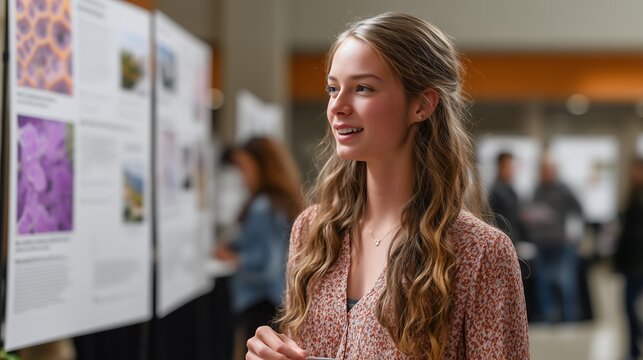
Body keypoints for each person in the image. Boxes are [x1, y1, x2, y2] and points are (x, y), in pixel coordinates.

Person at [246, 12, 528, 360]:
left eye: (363, 88)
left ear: (422, 105)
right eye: (333, 88)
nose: (338, 106)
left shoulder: (481, 253)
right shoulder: (312, 230)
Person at [215, 136, 304, 352]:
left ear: (262, 166)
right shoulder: (278, 202)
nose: (240, 176)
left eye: (244, 168)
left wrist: (235, 259)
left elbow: (266, 264)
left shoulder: (263, 206)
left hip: (261, 302)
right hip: (277, 301)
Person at [526, 156, 583, 323]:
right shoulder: (537, 190)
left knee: (564, 282)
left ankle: (569, 317)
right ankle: (548, 317)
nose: (543, 173)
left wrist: (574, 234)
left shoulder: (564, 189)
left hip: (560, 244)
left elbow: (578, 211)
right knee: (543, 283)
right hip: (541, 243)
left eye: (546, 169)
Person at [614, 157, 643, 360]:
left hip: (638, 262)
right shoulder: (633, 194)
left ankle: (635, 346)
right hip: (631, 261)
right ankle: (633, 348)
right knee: (628, 306)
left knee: (631, 305)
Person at [489, 151, 528, 244]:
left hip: (512, 239)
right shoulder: (496, 191)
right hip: (502, 240)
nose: (512, 170)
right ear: (500, 167)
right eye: (508, 166)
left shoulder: (510, 190)